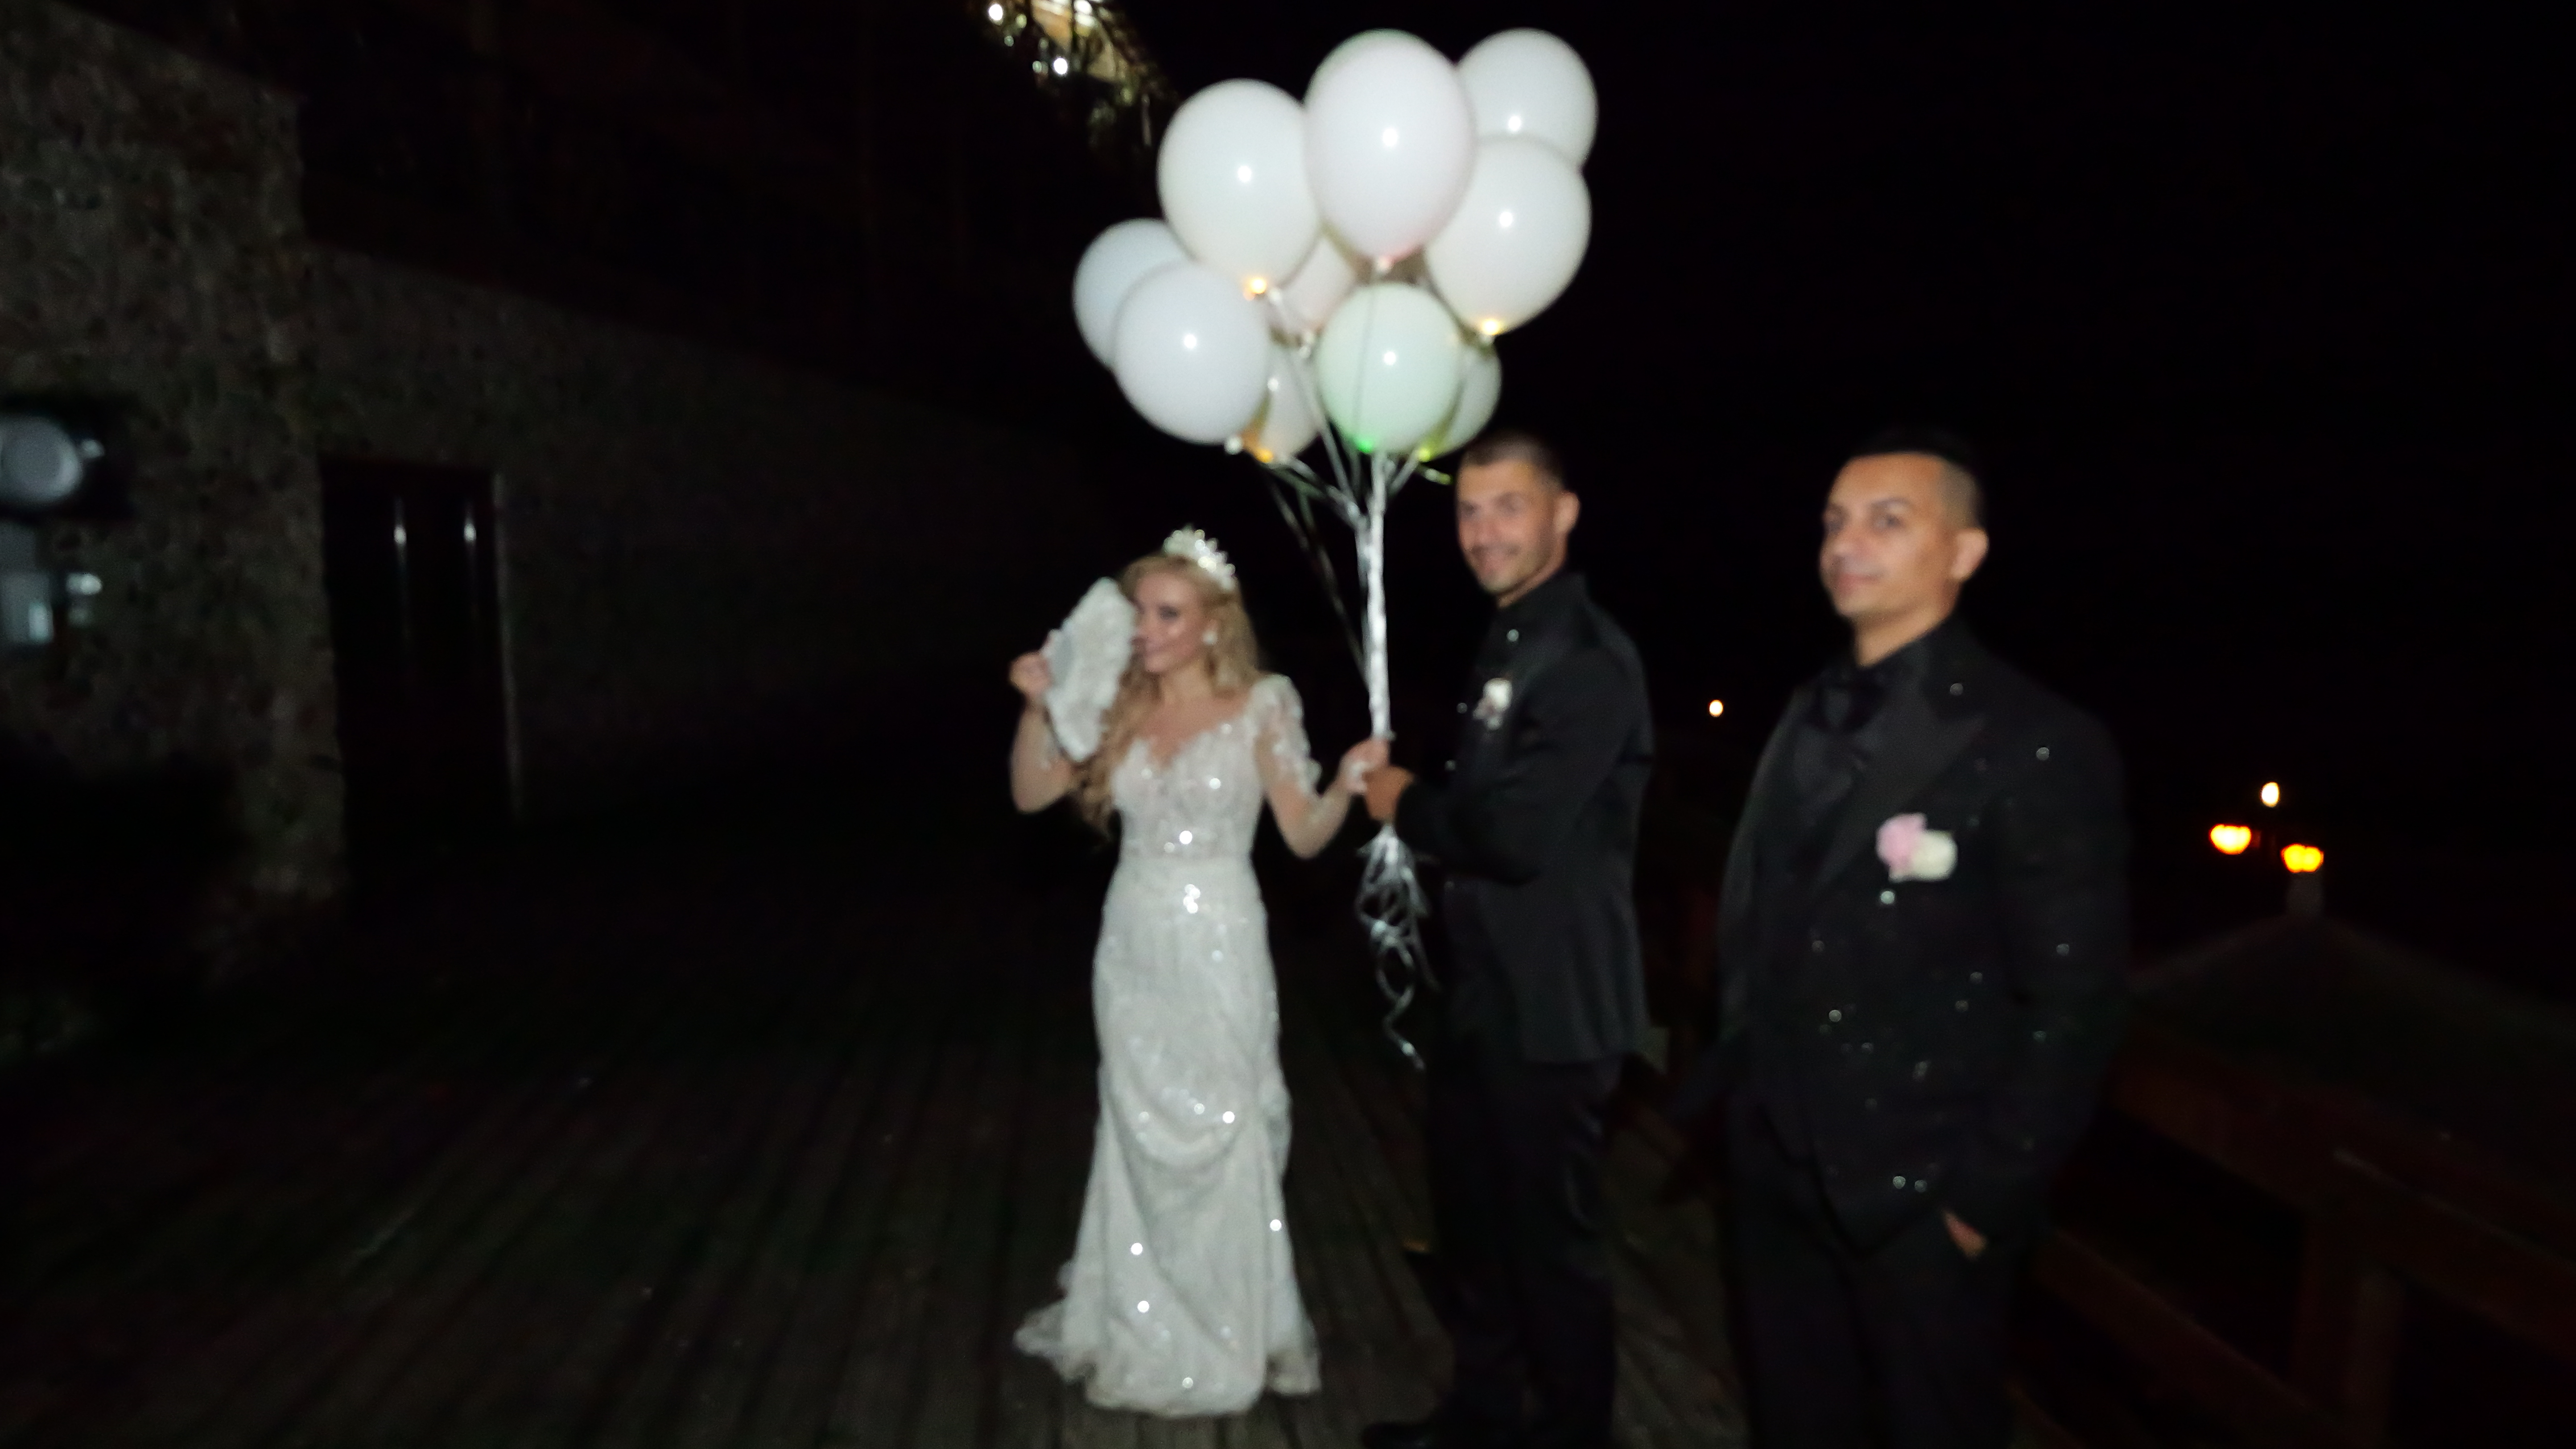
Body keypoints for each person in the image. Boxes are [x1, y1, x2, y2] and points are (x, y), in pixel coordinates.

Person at [1688, 432, 2130, 1449]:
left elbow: (2077, 1002)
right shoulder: (1806, 708)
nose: (1847, 545)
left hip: (1920, 1196)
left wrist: (1975, 1206)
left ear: (1964, 553)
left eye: (1888, 522)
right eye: (1835, 523)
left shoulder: (2037, 740)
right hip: (1774, 1166)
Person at [1007, 528, 1385, 1417]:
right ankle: (1139, 1316)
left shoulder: (1263, 704)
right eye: (1141, 611)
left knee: (1228, 1120)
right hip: (1134, 941)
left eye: (1168, 613)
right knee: (1137, 1122)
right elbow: (1030, 793)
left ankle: (1228, 1322)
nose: (1146, 628)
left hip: (1221, 936)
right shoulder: (1115, 703)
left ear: (1214, 624)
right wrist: (1036, 706)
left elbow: (1301, 835)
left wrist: (1343, 785)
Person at [1358, 431, 1654, 1449]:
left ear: (1562, 514)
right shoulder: (1512, 638)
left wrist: (1405, 803)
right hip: (1486, 988)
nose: (1483, 532)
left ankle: (1574, 1432)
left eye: (1508, 508)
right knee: (1474, 1225)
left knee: (1549, 1247)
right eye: (1469, 511)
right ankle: (1481, 1416)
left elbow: (1515, 837)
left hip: (1558, 1004)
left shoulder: (1588, 661)